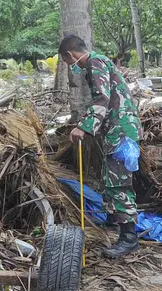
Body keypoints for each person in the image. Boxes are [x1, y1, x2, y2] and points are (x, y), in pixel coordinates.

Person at [59, 35, 143, 259]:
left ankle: (129, 238)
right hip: (119, 129)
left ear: (70, 55)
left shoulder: (95, 63)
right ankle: (115, 220)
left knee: (118, 184)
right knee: (111, 178)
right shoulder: (101, 61)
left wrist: (84, 127)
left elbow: (102, 98)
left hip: (121, 131)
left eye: (68, 64)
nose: (70, 68)